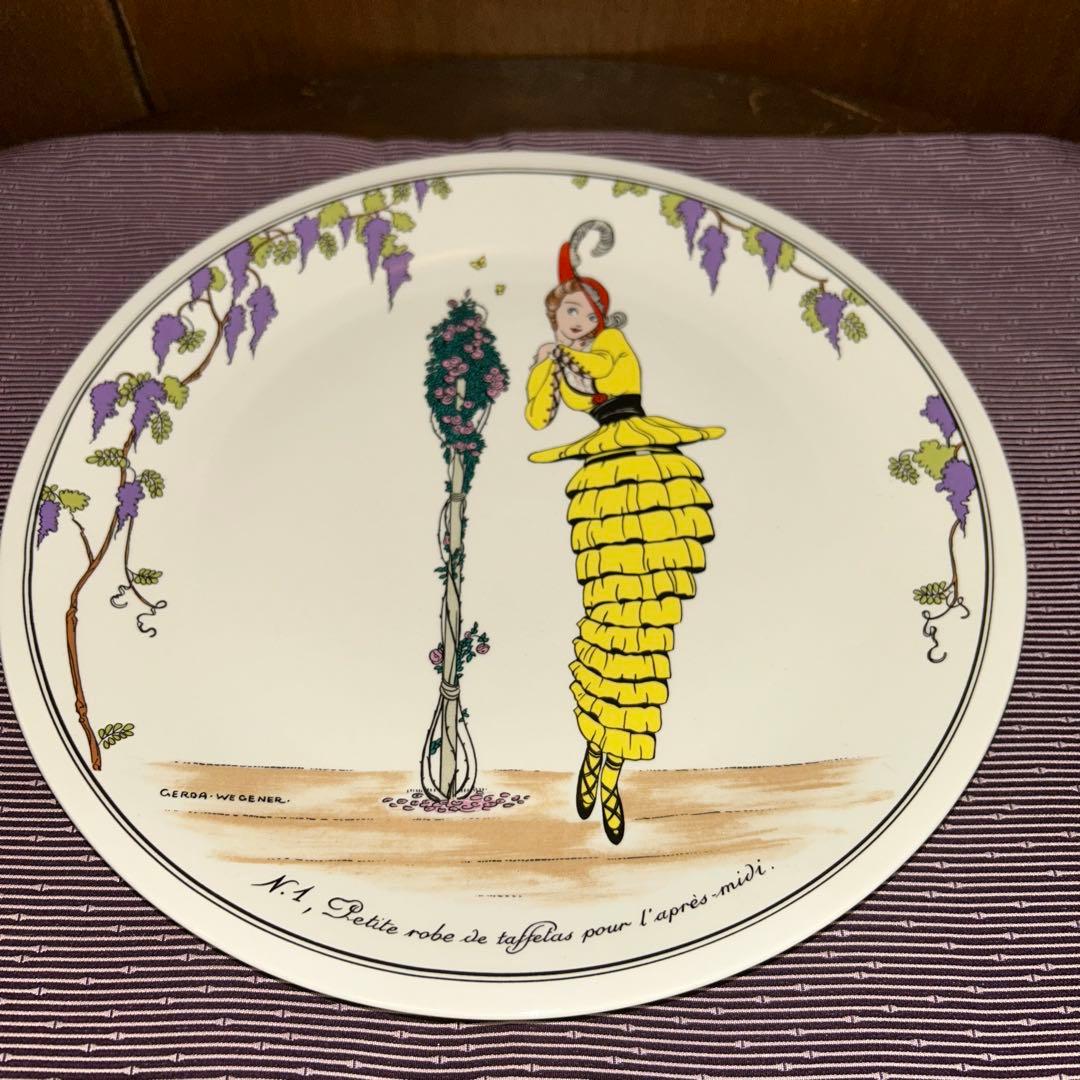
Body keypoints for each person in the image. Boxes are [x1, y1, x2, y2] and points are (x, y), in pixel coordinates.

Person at [525, 220, 725, 845]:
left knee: (646, 617)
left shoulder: (611, 346)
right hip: (605, 480)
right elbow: (538, 417)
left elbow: (608, 377)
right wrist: (542, 370)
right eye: (567, 315)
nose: (577, 322)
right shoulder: (567, 357)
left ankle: (607, 767)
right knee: (608, 617)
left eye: (585, 313)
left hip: (646, 466)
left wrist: (563, 357)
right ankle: (600, 751)